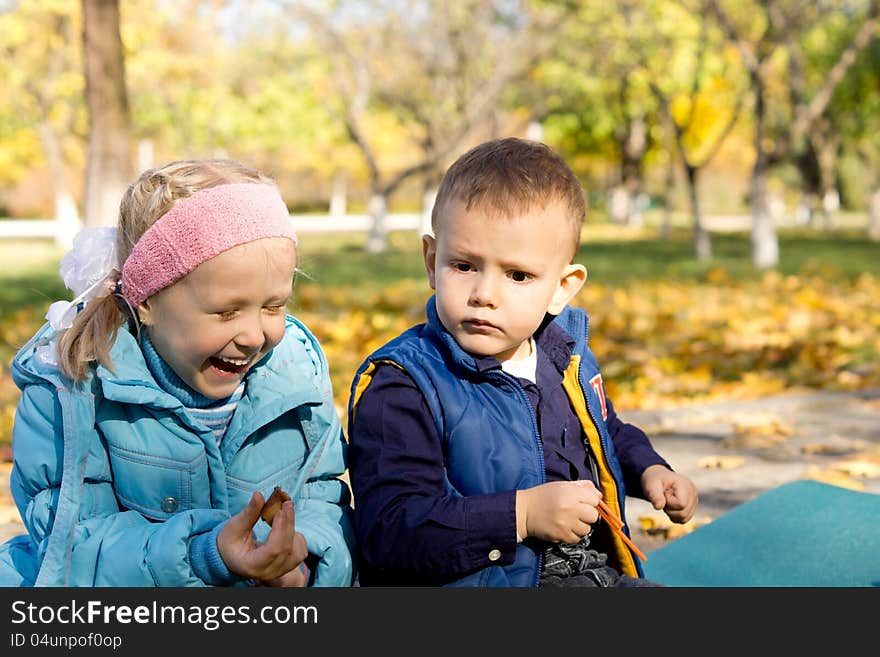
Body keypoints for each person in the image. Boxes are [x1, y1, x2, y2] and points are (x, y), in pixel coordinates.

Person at [347, 137, 698, 587]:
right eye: (464, 265)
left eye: (517, 275)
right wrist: (521, 515)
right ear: (432, 261)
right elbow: (390, 532)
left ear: (562, 287)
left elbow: (605, 431)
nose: (485, 294)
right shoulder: (405, 384)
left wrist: (651, 469)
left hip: (588, 575)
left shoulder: (563, 359)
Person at [0, 159, 355, 587]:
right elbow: (74, 546)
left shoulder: (295, 376)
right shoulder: (75, 389)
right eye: (226, 312)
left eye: (274, 306)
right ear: (147, 302)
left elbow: (323, 496)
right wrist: (205, 555)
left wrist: (305, 560)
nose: (254, 335)